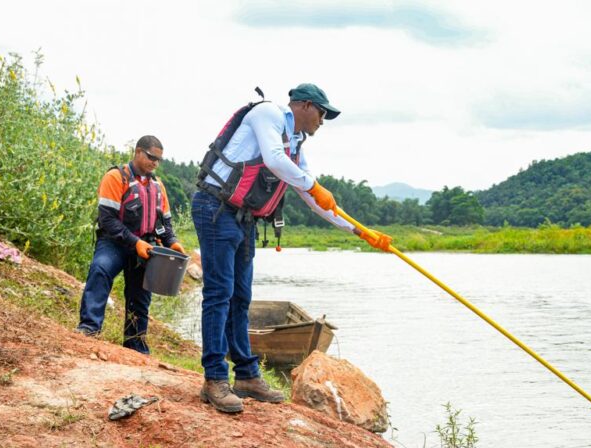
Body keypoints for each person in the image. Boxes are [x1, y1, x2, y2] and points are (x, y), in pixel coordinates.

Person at [193, 83, 393, 413]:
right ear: (303, 105)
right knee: (219, 293)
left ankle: (246, 376)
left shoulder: (296, 145)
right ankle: (214, 379)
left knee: (241, 296)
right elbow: (274, 160)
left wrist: (360, 231)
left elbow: (315, 199)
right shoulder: (268, 114)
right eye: (322, 112)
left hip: (242, 217)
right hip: (215, 207)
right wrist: (312, 185)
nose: (323, 121)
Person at [76, 135, 185, 354]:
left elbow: (164, 223)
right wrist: (134, 242)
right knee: (100, 270)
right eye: (151, 157)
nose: (155, 163)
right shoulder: (116, 177)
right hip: (114, 243)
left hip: (145, 247)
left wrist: (172, 242)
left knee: (141, 295)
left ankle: (135, 344)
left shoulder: (158, 186)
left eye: (159, 160)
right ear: (137, 152)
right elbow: (107, 220)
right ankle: (88, 329)